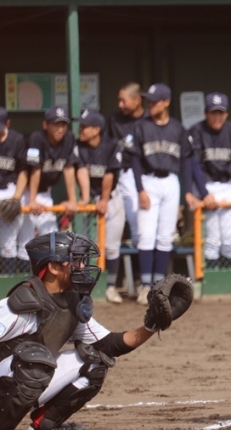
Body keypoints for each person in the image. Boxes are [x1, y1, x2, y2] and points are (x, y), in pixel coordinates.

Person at [0, 231, 185, 430]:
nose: (82, 267)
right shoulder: (19, 306)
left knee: (95, 361)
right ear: (53, 267)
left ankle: (42, 428)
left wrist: (152, 325)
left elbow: (110, 344)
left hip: (13, 382)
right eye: (75, 261)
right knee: (35, 360)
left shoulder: (71, 304)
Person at [130, 83, 197, 304]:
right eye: (148, 100)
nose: (150, 104)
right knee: (146, 235)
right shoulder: (141, 127)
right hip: (148, 180)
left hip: (170, 181)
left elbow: (187, 161)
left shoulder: (178, 129)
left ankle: (159, 287)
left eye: (154, 101)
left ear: (166, 102)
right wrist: (140, 189)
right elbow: (135, 160)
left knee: (165, 237)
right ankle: (145, 286)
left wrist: (188, 191)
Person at [189, 92, 231, 269]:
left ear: (226, 114)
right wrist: (204, 193)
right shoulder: (197, 131)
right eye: (213, 113)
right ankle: (211, 276)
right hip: (207, 185)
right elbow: (194, 165)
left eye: (221, 113)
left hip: (227, 186)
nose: (217, 117)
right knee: (212, 238)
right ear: (205, 113)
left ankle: (226, 273)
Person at [18, 107, 79, 273]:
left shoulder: (69, 138)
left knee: (51, 238)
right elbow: (35, 170)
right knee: (26, 239)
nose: (60, 129)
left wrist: (72, 199)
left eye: (63, 124)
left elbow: (69, 169)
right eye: (56, 124)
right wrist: (31, 200)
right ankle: (23, 278)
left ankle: (45, 279)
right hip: (27, 192)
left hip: (46, 192)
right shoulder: (37, 138)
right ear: (45, 125)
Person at [74, 110, 125, 302]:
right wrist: (86, 198)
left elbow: (110, 174)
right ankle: (84, 287)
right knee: (82, 246)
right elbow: (81, 171)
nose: (80, 129)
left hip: (111, 198)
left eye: (84, 126)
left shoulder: (111, 145)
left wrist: (103, 200)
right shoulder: (78, 145)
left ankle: (110, 287)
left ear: (96, 130)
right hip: (90, 199)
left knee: (111, 247)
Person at [108, 82, 149, 249]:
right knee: (136, 225)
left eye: (124, 101)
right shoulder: (115, 120)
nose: (120, 105)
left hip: (149, 174)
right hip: (125, 174)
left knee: (147, 226)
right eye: (119, 100)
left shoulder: (149, 119)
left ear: (137, 100)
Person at [0, 106, 28, 275]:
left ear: (8, 123)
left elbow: (23, 171)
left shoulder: (17, 140)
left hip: (9, 190)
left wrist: (16, 197)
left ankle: (7, 284)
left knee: (9, 244)